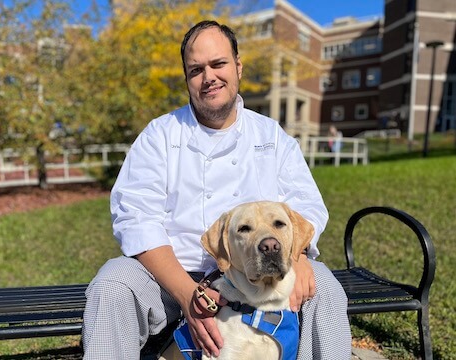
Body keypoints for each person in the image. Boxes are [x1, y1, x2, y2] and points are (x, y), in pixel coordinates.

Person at [82, 20, 352, 359]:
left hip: (255, 274)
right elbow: (135, 219)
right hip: (169, 278)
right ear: (187, 79)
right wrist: (187, 295)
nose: (208, 76)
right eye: (196, 69)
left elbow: (306, 207)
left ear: (238, 66)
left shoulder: (271, 136)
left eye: (218, 64)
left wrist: (298, 256)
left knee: (325, 286)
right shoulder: (160, 135)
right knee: (112, 283)